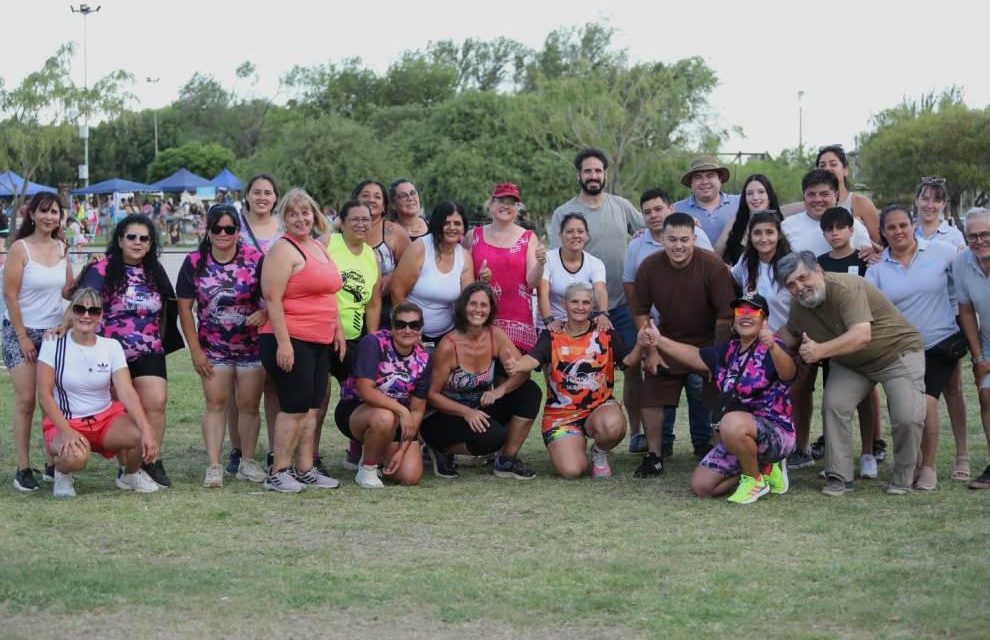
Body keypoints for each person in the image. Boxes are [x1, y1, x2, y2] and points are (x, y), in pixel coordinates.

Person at [776, 251, 926, 496]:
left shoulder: (847, 287)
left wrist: (819, 350)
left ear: (819, 271)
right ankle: (838, 476)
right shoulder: (799, 305)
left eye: (803, 278)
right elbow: (790, 334)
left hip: (896, 353)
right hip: (852, 363)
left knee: (907, 415)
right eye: (791, 284)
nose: (799, 287)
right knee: (834, 405)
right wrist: (762, 344)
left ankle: (903, 477)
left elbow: (861, 336)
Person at [643, 293, 796, 504]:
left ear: (764, 320)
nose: (746, 316)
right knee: (701, 486)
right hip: (737, 435)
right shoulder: (729, 350)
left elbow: (788, 374)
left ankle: (754, 480)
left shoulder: (772, 346)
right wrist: (660, 341)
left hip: (775, 432)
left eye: (753, 311)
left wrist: (773, 347)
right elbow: (695, 355)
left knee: (731, 422)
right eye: (740, 311)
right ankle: (765, 469)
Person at [506, 282, 652, 479]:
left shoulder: (605, 332)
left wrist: (641, 344)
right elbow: (533, 359)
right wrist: (516, 365)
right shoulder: (552, 334)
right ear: (565, 303)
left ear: (592, 305)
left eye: (586, 302)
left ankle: (599, 452)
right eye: (575, 302)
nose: (580, 307)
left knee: (613, 425)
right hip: (561, 417)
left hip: (599, 407)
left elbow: (628, 361)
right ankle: (574, 444)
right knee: (573, 471)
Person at [76, 213, 178, 488]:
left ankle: (150, 459)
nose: (137, 242)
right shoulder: (102, 269)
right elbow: (83, 300)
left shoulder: (155, 270)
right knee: (121, 409)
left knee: (156, 401)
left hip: (148, 349)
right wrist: (65, 328)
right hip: (110, 352)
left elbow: (169, 306)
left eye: (144, 238)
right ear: (120, 240)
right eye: (131, 236)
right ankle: (128, 467)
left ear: (150, 243)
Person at [866, 204, 964, 491]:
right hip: (901, 349)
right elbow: (872, 311)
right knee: (906, 408)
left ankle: (929, 467)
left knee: (927, 405)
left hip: (939, 343)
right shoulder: (877, 269)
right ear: (883, 233)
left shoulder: (942, 251)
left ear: (912, 226)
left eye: (902, 225)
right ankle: (914, 461)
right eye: (891, 228)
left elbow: (967, 271)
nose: (898, 232)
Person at [631, 212, 736, 477]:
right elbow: (641, 311)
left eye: (684, 240)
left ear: (695, 239)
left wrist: (716, 359)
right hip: (667, 342)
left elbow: (725, 318)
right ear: (662, 239)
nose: (678, 245)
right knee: (652, 388)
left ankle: (716, 453)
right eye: (672, 239)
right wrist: (652, 350)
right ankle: (654, 455)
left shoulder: (713, 266)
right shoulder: (649, 266)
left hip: (707, 343)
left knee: (716, 392)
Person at [781, 169, 873, 468]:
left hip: (848, 323)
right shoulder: (789, 226)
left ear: (836, 194)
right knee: (802, 386)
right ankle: (802, 447)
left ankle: (870, 449)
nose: (818, 199)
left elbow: (870, 256)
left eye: (824, 193)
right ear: (803, 197)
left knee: (858, 390)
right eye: (811, 194)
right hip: (808, 319)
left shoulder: (854, 225)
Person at [36, 288, 161, 496]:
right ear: (71, 312)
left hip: (105, 419)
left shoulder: (111, 346)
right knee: (76, 457)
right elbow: (44, 395)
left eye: (93, 311)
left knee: (142, 434)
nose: (86, 315)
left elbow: (126, 391)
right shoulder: (53, 344)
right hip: (68, 420)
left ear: (100, 316)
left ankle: (129, 475)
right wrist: (66, 431)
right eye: (79, 309)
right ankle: (62, 474)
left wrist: (147, 429)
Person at [258, 188, 343, 493]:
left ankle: (305, 468)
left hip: (319, 341)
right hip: (291, 339)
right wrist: (283, 343)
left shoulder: (319, 246)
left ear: (314, 214)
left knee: (312, 407)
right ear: (283, 218)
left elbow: (330, 291)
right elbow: (272, 299)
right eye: (292, 213)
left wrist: (337, 330)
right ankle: (279, 470)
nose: (300, 218)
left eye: (305, 212)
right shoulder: (283, 249)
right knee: (294, 406)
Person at [176, 204, 267, 488]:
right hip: (213, 348)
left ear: (239, 231)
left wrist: (264, 314)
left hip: (251, 347)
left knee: (250, 405)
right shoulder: (195, 262)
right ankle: (214, 465)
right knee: (216, 404)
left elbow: (274, 297)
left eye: (230, 228)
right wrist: (195, 350)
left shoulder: (255, 259)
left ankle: (248, 462)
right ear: (208, 230)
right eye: (217, 228)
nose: (224, 234)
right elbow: (184, 309)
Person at [622, 188, 712, 456]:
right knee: (660, 380)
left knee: (698, 386)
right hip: (656, 330)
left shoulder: (696, 236)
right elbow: (630, 287)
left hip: (695, 330)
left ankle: (703, 443)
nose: (653, 215)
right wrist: (648, 334)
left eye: (658, 209)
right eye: (647, 211)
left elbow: (707, 272)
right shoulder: (637, 243)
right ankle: (663, 444)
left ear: (670, 209)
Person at [420, 282, 542, 479]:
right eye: (473, 304)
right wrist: (466, 412)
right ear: (463, 307)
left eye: (483, 305)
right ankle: (441, 449)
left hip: (478, 407)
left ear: (491, 309)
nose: (478, 310)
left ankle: (507, 460)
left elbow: (522, 371)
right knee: (492, 438)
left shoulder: (496, 335)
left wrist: (498, 391)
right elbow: (432, 395)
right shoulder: (448, 345)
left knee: (530, 392)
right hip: (443, 416)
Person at [3, 192, 72, 491]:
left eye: (54, 212)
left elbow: (68, 290)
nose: (49, 217)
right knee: (27, 399)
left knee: (51, 400)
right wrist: (22, 337)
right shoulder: (20, 249)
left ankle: (52, 463)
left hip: (53, 334)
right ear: (31, 214)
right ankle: (23, 467)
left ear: (60, 216)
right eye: (43, 211)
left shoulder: (63, 248)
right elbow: (10, 295)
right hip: (20, 332)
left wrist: (94, 271)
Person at [550, 148, 644, 359]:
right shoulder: (563, 213)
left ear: (605, 174)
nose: (593, 176)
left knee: (631, 364)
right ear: (579, 175)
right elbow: (556, 260)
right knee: (583, 366)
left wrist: (684, 219)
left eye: (598, 171)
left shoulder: (621, 206)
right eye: (587, 171)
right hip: (580, 309)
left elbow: (652, 227)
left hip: (621, 305)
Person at [812, 207, 883, 477]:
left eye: (840, 228)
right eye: (829, 229)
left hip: (861, 339)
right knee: (832, 398)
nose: (834, 233)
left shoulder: (866, 260)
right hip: (831, 341)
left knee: (865, 397)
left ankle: (868, 453)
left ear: (852, 230)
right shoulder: (818, 263)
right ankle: (835, 455)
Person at [334, 302, 431, 488]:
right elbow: (365, 389)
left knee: (409, 477)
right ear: (392, 327)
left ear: (421, 329)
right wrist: (402, 411)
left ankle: (377, 451)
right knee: (385, 417)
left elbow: (418, 409)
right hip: (357, 410)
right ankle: (368, 468)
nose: (407, 330)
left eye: (414, 325)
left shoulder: (424, 358)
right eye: (401, 324)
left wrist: (403, 450)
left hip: (395, 418)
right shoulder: (374, 342)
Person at [912, 176, 969, 480]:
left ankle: (962, 453)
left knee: (952, 388)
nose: (930, 205)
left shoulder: (954, 237)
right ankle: (920, 457)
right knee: (920, 391)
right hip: (915, 322)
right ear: (916, 200)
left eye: (936, 200)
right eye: (925, 198)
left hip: (948, 320)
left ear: (944, 205)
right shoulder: (906, 232)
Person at [227, 174, 282, 475]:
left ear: (276, 197)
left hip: (276, 317)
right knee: (238, 389)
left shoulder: (283, 228)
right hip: (239, 317)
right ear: (247, 195)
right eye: (257, 192)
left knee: (273, 386)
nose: (262, 197)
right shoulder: (232, 226)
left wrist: (272, 313)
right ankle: (238, 449)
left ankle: (276, 450)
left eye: (268, 192)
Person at [322, 199, 382, 471]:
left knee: (359, 395)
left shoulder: (371, 255)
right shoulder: (327, 243)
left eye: (366, 220)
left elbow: (373, 302)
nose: (361, 224)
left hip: (355, 336)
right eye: (355, 219)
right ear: (342, 222)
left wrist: (372, 340)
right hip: (322, 333)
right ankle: (309, 457)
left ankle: (356, 448)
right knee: (318, 400)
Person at [470, 182, 544, 353]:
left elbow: (531, 283)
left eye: (511, 202)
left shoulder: (528, 237)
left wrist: (540, 262)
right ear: (491, 204)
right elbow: (464, 277)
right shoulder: (473, 236)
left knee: (514, 373)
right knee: (481, 375)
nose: (505, 206)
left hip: (517, 322)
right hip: (480, 317)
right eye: (500, 200)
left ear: (518, 208)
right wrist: (480, 280)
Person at [391, 201, 474, 346]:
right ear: (437, 224)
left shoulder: (465, 256)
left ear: (464, 227)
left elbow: (467, 300)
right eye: (446, 223)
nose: (452, 228)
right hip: (409, 334)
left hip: (447, 335)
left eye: (457, 223)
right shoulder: (420, 248)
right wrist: (411, 330)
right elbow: (397, 292)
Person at [954, 208, 990, 490]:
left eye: (985, 234)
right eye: (972, 236)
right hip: (986, 343)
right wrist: (977, 357)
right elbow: (966, 311)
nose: (978, 241)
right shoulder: (961, 263)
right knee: (986, 397)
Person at [353, 179, 410, 327]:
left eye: (377, 197)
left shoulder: (395, 233)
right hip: (348, 307)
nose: (371, 200)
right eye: (365, 195)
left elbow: (412, 268)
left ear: (384, 206)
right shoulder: (342, 231)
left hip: (385, 308)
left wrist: (393, 276)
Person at [538, 213, 608, 332]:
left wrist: (603, 314)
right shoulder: (548, 259)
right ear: (561, 235)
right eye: (570, 231)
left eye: (580, 231)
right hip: (550, 324)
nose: (575, 235)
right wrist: (549, 321)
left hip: (580, 324)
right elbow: (542, 293)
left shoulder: (596, 263)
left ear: (587, 236)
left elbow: (600, 290)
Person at [730, 211, 793, 331]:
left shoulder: (791, 265)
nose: (764, 239)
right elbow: (732, 276)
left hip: (784, 341)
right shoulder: (745, 260)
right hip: (752, 340)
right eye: (757, 233)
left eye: (769, 232)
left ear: (779, 235)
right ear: (750, 236)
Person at [815, 144, 880, 242]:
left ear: (845, 171)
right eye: (822, 166)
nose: (827, 169)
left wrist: (869, 247)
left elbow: (881, 244)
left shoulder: (861, 203)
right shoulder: (814, 205)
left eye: (833, 164)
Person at [673, 156, 741, 247]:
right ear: (691, 182)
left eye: (710, 176)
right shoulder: (676, 210)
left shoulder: (740, 203)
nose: (704, 182)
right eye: (698, 177)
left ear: (720, 179)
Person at [717, 174, 781, 265]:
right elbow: (716, 255)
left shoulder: (782, 226)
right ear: (745, 198)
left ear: (769, 196)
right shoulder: (736, 225)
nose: (755, 197)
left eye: (761, 192)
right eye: (750, 193)